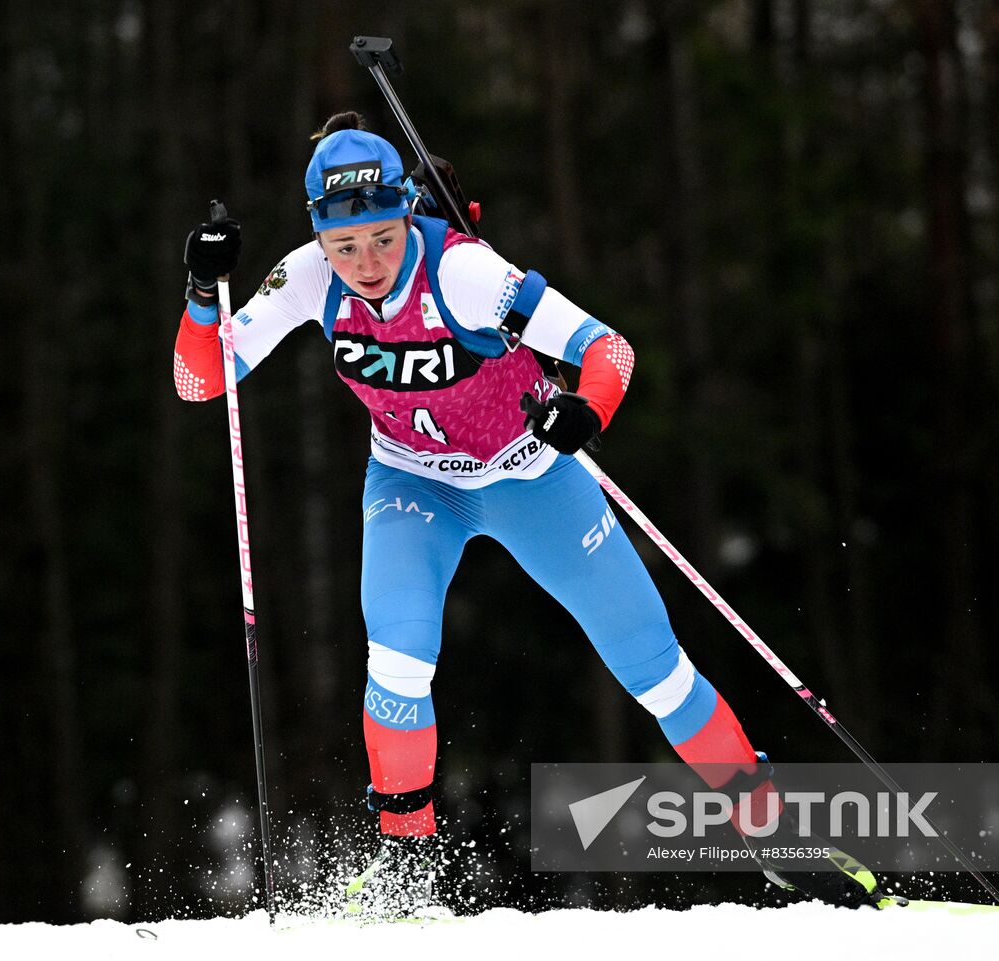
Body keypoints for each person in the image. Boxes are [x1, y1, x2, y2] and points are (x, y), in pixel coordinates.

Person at [173, 112, 883, 915]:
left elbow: (608, 350)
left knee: (656, 669)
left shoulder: (465, 273)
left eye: (381, 238)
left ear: (408, 212)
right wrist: (204, 294)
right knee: (398, 659)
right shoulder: (306, 275)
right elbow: (200, 382)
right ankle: (408, 870)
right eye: (346, 247)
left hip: (530, 474)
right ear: (319, 239)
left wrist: (587, 413)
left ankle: (777, 841)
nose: (365, 263)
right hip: (413, 486)